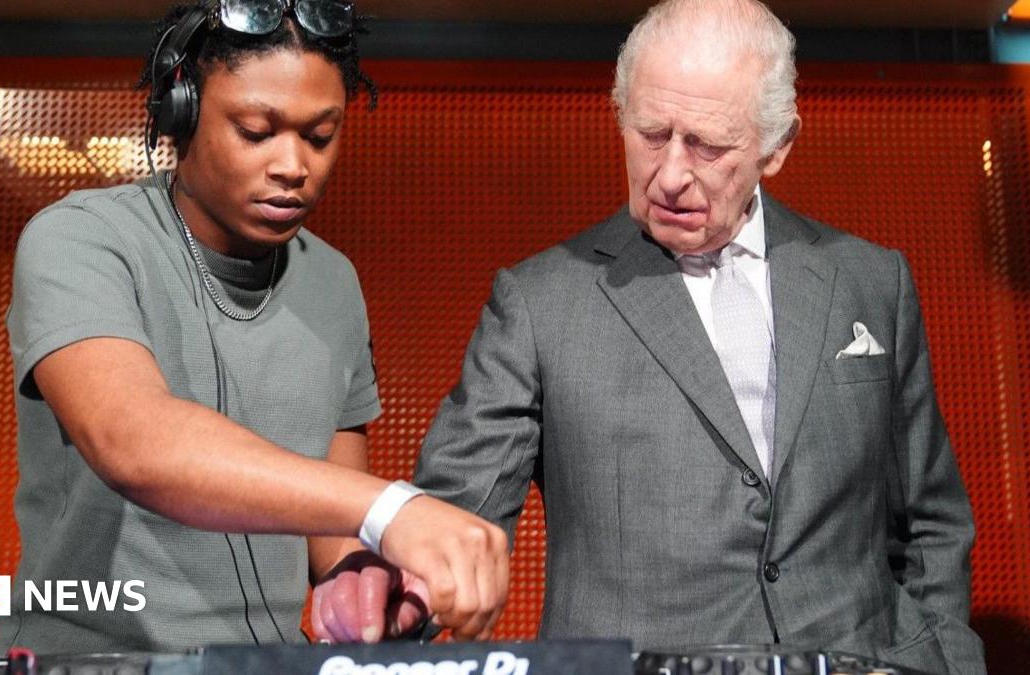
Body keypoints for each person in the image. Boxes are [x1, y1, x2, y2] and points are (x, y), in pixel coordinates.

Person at [406, 0, 985, 673]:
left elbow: (930, 521)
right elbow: (447, 522)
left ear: (777, 145)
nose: (672, 174)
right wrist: (396, 588)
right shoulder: (540, 303)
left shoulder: (871, 281)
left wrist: (942, 660)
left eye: (708, 145)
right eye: (652, 133)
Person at [0, 0, 507, 653]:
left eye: (319, 136)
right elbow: (130, 439)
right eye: (255, 131)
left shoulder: (334, 281)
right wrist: (390, 509)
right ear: (179, 114)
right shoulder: (81, 239)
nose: (294, 165)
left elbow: (330, 521)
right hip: (88, 661)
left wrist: (357, 574)